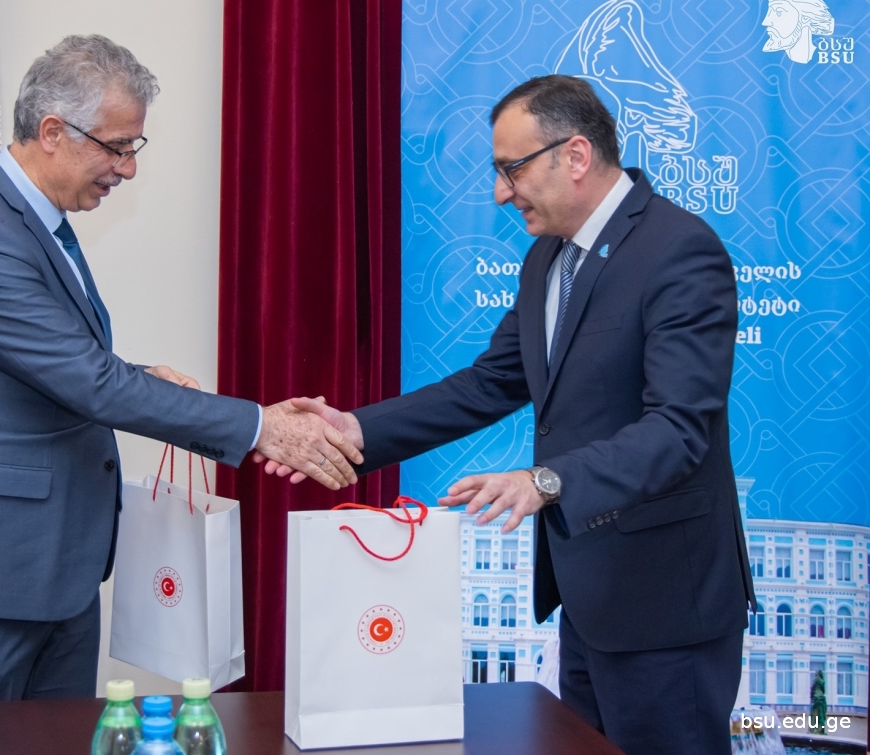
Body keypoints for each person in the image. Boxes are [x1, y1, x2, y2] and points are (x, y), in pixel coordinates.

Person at [259, 75, 755, 755]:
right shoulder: (548, 256)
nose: (500, 192)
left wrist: (545, 481)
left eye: (511, 169)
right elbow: (491, 383)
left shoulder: (678, 251)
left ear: (575, 155)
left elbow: (678, 429)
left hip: (667, 605)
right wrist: (355, 430)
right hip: (589, 600)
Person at [0, 34, 360, 704]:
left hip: (51, 572)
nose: (128, 170)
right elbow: (89, 381)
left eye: (134, 147)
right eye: (116, 147)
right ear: (53, 132)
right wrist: (261, 427)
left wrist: (138, 376)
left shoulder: (31, 220)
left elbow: (42, 363)